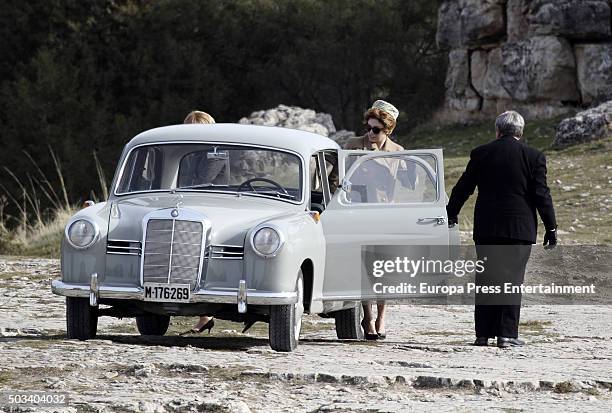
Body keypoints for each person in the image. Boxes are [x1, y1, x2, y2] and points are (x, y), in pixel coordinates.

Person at [446, 110, 557, 348]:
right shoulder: (534, 156)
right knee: (511, 280)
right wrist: (551, 227)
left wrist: (451, 212)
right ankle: (507, 334)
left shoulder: (481, 153)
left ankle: (483, 334)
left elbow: (463, 187)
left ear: (497, 130)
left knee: (486, 279)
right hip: (519, 229)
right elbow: (541, 195)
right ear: (521, 131)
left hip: (487, 228)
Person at [343, 99, 403, 340]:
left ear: (387, 130)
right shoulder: (353, 145)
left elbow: (406, 185)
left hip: (385, 216)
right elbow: (340, 177)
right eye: (368, 127)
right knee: (364, 270)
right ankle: (367, 316)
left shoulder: (397, 152)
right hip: (358, 214)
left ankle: (382, 316)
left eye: (376, 129)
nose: (370, 133)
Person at [179, 110, 217, 336]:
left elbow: (207, 181)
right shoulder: (185, 154)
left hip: (210, 208)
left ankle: (206, 314)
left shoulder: (217, 155)